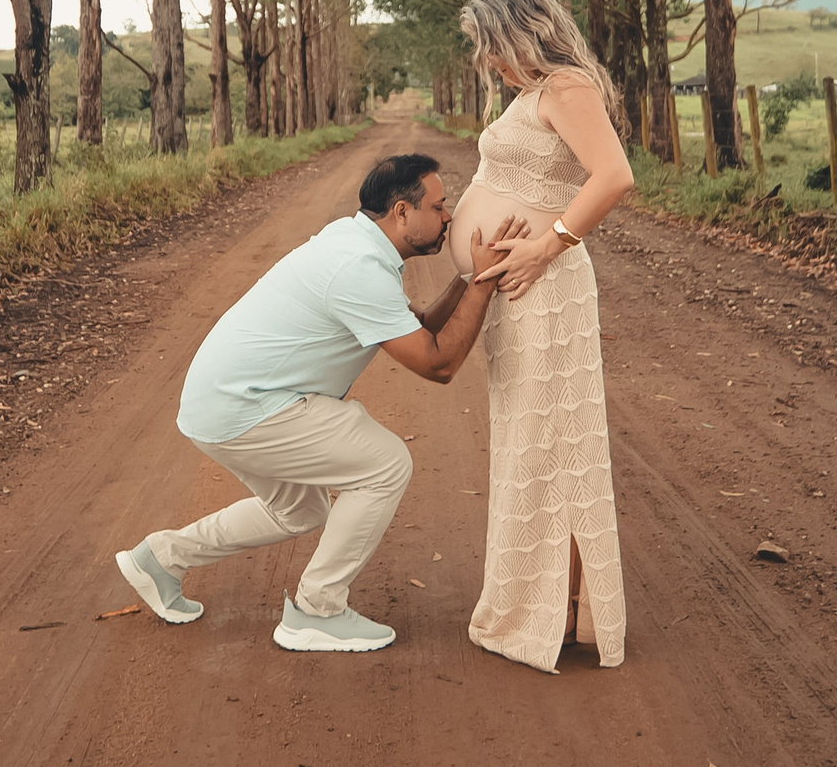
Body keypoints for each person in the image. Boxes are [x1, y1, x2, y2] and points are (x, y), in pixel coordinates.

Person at [114, 155, 529, 654]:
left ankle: (159, 559)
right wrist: (484, 283)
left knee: (297, 510)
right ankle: (318, 609)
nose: (449, 217)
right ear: (401, 212)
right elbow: (437, 364)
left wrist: (467, 276)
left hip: (221, 401)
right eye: (439, 206)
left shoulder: (356, 244)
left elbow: (421, 325)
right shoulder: (358, 268)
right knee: (386, 465)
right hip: (245, 405)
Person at [452, 0, 638, 671]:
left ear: (520, 30)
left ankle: (556, 613)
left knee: (553, 443)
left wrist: (546, 241)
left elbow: (614, 176)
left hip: (547, 287)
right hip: (518, 293)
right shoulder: (531, 95)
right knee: (535, 442)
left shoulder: (565, 87)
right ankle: (549, 607)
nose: (487, 61)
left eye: (490, 45)